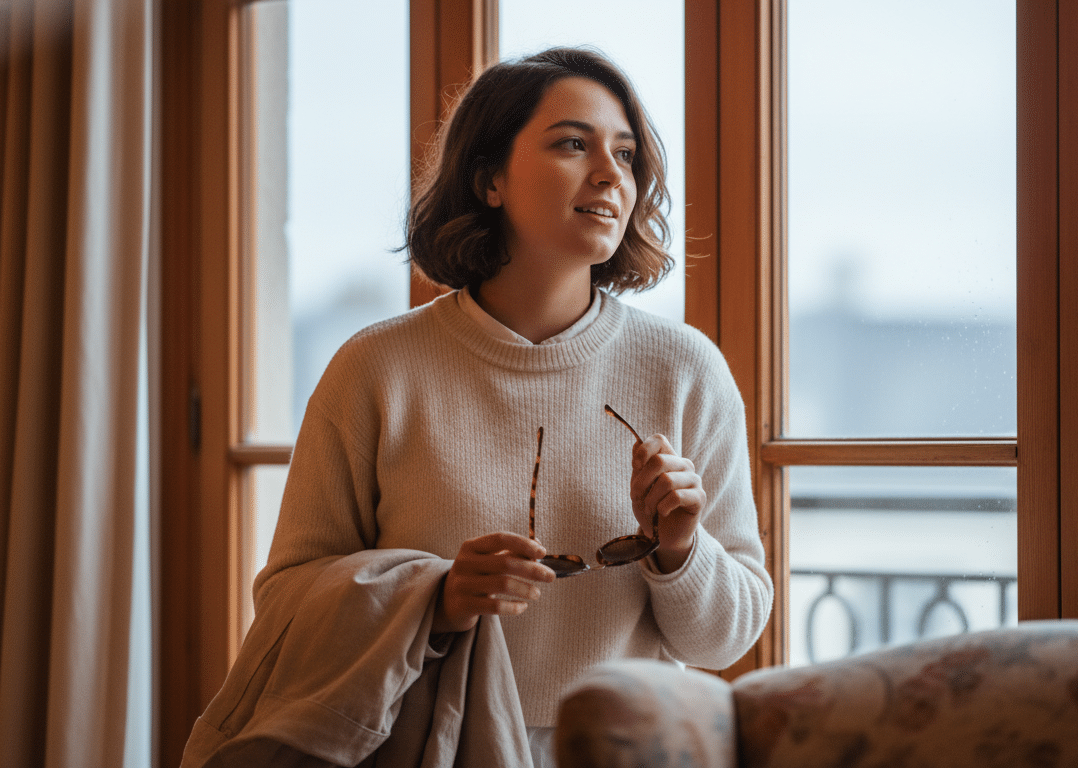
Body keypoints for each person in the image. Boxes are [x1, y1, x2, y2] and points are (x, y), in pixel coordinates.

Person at [228, 47, 772, 766]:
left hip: (624, 750)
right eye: (573, 144)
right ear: (489, 179)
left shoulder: (685, 368)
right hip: (429, 745)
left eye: (625, 154)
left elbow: (725, 640)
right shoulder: (376, 368)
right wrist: (438, 597)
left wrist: (680, 549)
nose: (611, 174)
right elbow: (287, 604)